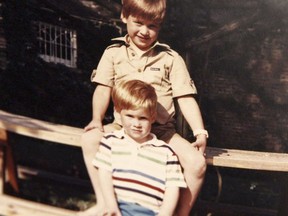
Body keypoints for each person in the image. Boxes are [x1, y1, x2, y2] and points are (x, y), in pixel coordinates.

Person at [80, 0, 208, 215]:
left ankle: (179, 213)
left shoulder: (170, 58)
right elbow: (103, 90)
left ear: (160, 25)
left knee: (197, 164)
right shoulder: (113, 54)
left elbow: (185, 98)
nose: (144, 31)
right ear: (124, 17)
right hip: (123, 127)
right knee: (89, 139)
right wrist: (96, 119)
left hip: (162, 131)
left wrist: (200, 132)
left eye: (152, 26)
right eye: (138, 23)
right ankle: (104, 203)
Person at [93, 79, 187, 216]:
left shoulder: (166, 152)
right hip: (117, 207)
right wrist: (112, 206)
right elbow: (104, 174)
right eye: (130, 116)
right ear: (119, 113)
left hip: (149, 212)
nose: (136, 123)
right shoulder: (111, 142)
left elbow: (172, 188)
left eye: (142, 118)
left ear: (153, 117)